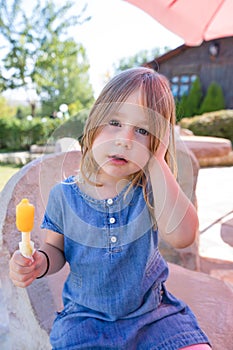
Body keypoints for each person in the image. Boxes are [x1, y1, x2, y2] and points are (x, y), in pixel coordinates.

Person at [9, 67, 211, 350]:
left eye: (143, 130)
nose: (125, 140)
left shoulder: (150, 189)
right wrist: (39, 263)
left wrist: (157, 161)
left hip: (153, 316)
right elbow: (55, 250)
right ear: (93, 126)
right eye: (114, 122)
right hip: (86, 321)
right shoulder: (64, 195)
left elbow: (183, 236)